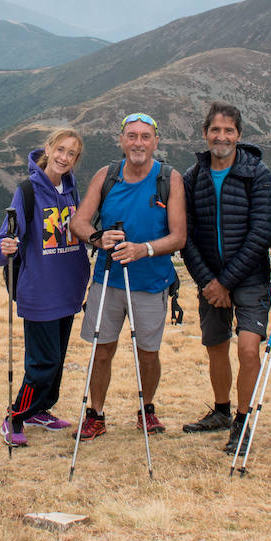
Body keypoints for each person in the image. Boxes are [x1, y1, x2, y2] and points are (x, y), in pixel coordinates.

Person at [70, 112, 186, 439]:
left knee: (147, 353)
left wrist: (143, 249)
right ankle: (96, 414)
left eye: (145, 136)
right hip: (108, 280)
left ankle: (146, 409)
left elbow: (179, 236)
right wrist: (97, 238)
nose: (138, 143)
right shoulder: (106, 176)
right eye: (132, 136)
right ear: (121, 140)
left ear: (155, 141)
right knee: (101, 349)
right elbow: (78, 222)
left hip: (150, 281)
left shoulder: (169, 178)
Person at [178, 102, 271, 453]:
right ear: (205, 134)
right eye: (215, 130)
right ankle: (220, 410)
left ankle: (242, 419)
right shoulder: (193, 177)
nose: (221, 136)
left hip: (249, 279)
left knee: (249, 350)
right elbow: (184, 235)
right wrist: (208, 281)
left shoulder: (257, 174)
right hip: (209, 280)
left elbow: (262, 231)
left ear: (239, 134)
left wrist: (226, 282)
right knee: (215, 347)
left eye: (228, 130)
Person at [0, 129, 91, 447]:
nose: (64, 157)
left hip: (68, 290)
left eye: (71, 153)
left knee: (57, 358)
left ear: (76, 159)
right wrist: (2, 250)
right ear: (48, 149)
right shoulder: (28, 191)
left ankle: (41, 409)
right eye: (59, 149)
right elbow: (3, 239)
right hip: (40, 291)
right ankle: (15, 416)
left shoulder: (73, 191)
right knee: (42, 362)